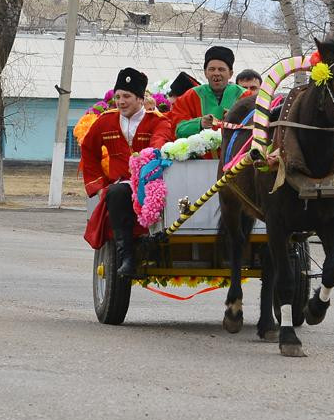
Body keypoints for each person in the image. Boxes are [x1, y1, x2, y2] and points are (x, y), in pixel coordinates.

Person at [80, 67, 173, 278]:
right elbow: (88, 148)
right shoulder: (105, 121)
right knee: (116, 193)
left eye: (127, 96)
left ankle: (155, 246)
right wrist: (98, 184)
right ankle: (126, 257)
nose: (121, 102)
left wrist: (149, 155)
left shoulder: (158, 121)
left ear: (141, 98)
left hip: (151, 181)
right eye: (118, 96)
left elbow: (160, 141)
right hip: (122, 183)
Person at [168, 45, 245, 138]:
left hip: (235, 152)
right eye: (212, 69)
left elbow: (256, 128)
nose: (216, 73)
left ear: (230, 73)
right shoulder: (190, 96)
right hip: (199, 151)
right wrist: (200, 123)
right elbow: (177, 130)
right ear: (205, 73)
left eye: (221, 69)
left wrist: (237, 118)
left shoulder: (245, 96)